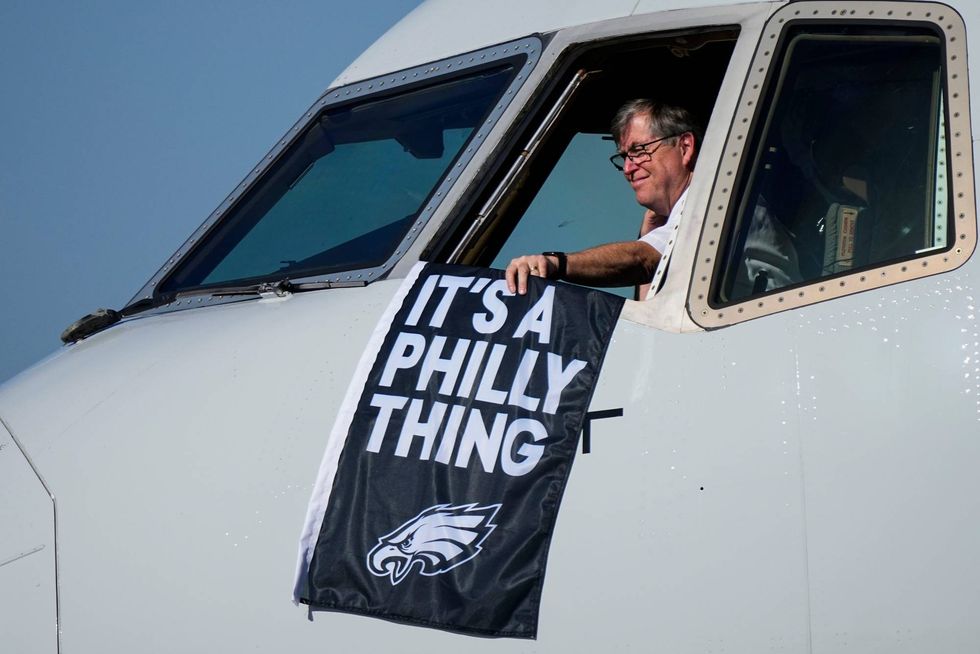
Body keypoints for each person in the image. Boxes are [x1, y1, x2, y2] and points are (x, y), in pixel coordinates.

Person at [505, 100, 701, 298]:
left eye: (639, 151)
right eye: (624, 157)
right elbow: (649, 298)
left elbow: (642, 260)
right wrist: (650, 235)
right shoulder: (672, 219)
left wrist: (555, 264)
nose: (627, 169)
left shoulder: (701, 203)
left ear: (685, 146)